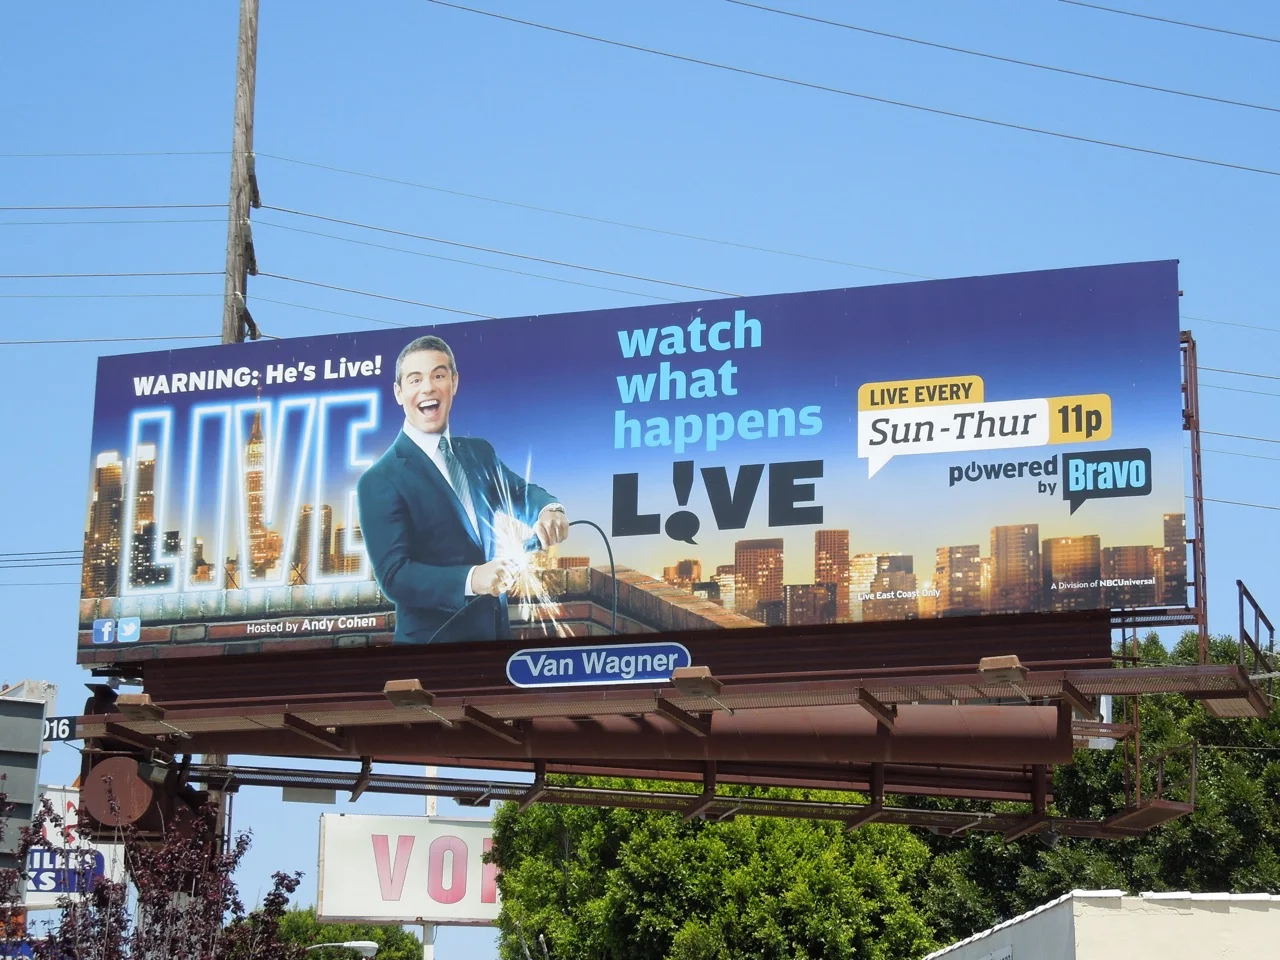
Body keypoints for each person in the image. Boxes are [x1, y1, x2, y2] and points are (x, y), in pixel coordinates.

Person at [357, 334, 568, 644]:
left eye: (438, 376)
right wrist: (472, 579)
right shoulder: (379, 480)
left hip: (496, 645)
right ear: (399, 393)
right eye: (415, 380)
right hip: (432, 653)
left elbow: (519, 493)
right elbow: (395, 576)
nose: (428, 388)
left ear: (454, 383)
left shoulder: (479, 453)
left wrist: (548, 510)